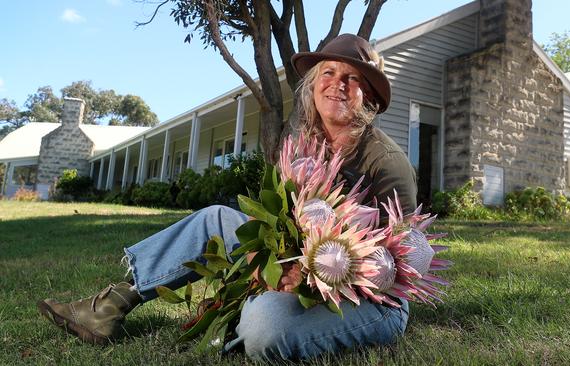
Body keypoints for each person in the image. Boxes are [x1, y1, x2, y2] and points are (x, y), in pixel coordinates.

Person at [37, 33, 417, 361]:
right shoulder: (301, 144)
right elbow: (278, 220)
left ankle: (240, 322)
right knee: (215, 217)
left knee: (265, 328)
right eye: (329, 73)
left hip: (368, 299)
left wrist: (310, 278)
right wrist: (262, 254)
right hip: (298, 266)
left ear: (368, 94)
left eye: (352, 78)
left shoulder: (386, 164)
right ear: (314, 84)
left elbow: (393, 267)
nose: (337, 84)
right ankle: (110, 305)